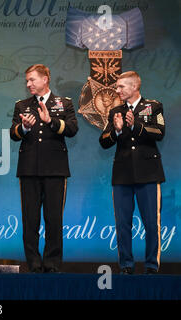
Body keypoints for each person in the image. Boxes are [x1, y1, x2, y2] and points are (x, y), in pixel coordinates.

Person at [10, 64, 78, 273]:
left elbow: (73, 129)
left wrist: (52, 121)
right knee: (30, 219)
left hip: (55, 169)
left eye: (32, 79)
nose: (28, 84)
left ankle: (52, 263)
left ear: (45, 79)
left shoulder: (63, 103)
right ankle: (34, 263)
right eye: (27, 81)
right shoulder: (22, 105)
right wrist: (24, 128)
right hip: (29, 169)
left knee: (54, 218)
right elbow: (13, 134)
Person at [99, 71, 165, 275]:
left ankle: (152, 265)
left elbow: (160, 132)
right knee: (123, 223)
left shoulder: (153, 107)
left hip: (148, 173)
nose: (117, 90)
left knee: (151, 222)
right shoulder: (115, 111)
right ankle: (126, 265)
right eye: (117, 87)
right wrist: (117, 131)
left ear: (135, 87)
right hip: (122, 175)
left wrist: (136, 125)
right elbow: (104, 141)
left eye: (121, 87)